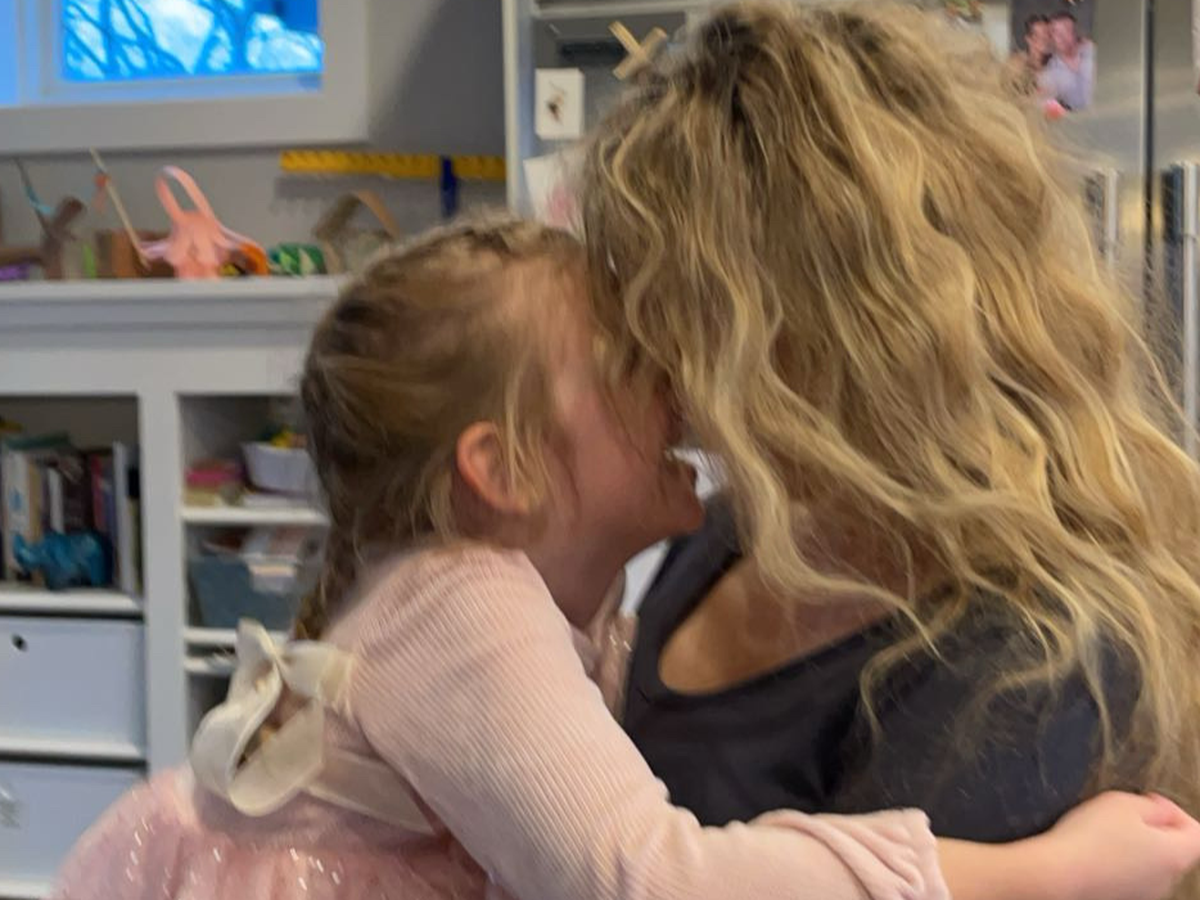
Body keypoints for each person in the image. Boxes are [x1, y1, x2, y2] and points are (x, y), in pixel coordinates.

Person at [50, 217, 1200, 900]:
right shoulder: (462, 600)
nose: (687, 387)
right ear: (504, 468)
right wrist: (1036, 876)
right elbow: (648, 880)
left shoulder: (543, 597)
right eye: (633, 365)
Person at [580, 0, 1200, 870]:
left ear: (829, 327)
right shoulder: (735, 526)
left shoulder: (1025, 657)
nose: (647, 355)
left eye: (677, 307)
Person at [1043, 11, 1095, 111]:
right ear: (1051, 38)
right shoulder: (1050, 71)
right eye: (1056, 32)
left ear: (1075, 32)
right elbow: (1045, 104)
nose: (1062, 37)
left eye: (1067, 30)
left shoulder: (1093, 52)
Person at [1009, 13, 1052, 97]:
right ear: (1028, 39)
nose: (1045, 39)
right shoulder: (1017, 63)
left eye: (1048, 35)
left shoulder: (1055, 64)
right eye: (1039, 36)